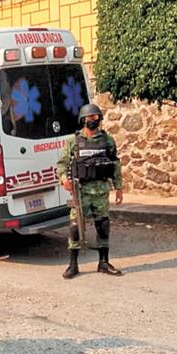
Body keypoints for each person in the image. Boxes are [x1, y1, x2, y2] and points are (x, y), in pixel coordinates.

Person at [57, 103, 124, 279]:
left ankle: (103, 262)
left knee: (103, 226)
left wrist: (119, 188)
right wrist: (64, 178)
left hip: (101, 191)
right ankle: (73, 265)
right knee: (75, 228)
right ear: (83, 120)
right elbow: (62, 164)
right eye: (89, 118)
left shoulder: (107, 140)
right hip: (81, 192)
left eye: (95, 118)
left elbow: (115, 164)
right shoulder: (73, 141)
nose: (92, 121)